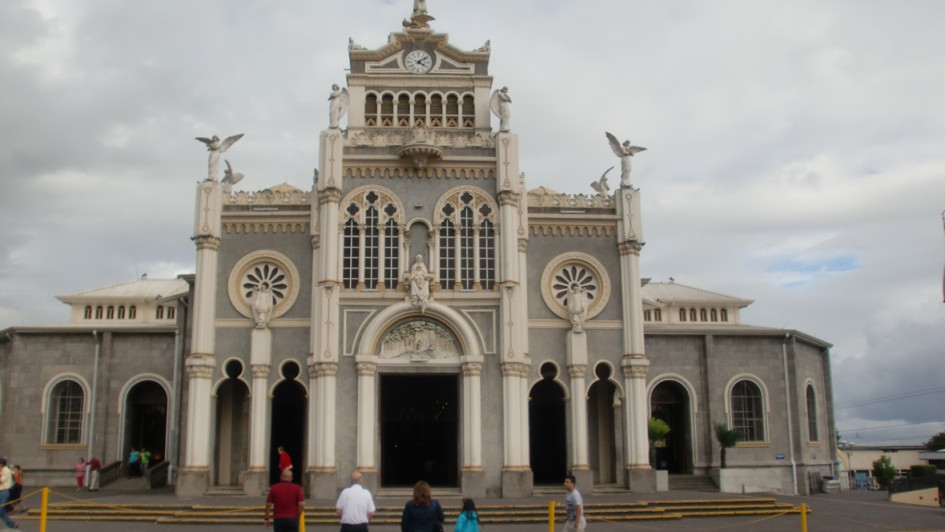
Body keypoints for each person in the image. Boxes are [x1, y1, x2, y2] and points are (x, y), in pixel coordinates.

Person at [0, 458, 18, 529]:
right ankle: (12, 524)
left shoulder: (6, 471)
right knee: (1, 512)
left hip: (3, 492)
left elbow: (1, 480)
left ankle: (11, 524)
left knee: (0, 510)